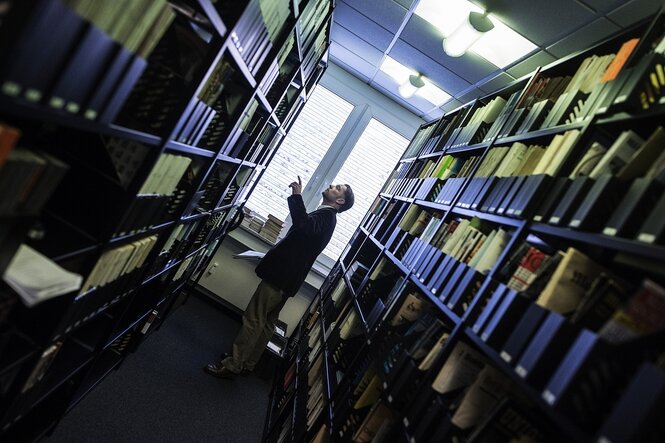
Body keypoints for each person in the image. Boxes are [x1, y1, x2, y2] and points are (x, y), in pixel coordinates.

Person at [205, 176, 354, 379]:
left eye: (337, 188)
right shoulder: (326, 216)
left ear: (340, 201)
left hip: (281, 276)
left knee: (253, 318)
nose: (331, 186)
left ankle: (232, 364)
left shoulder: (327, 217)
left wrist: (297, 196)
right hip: (287, 279)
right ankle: (247, 363)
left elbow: (303, 226)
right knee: (267, 322)